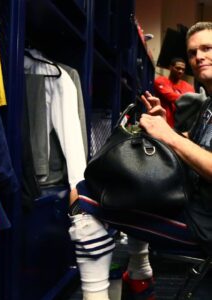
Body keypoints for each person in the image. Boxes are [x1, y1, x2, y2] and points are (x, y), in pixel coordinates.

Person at [68, 21, 212, 300]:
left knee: (82, 195)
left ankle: (101, 293)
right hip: (196, 205)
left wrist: (167, 137)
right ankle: (140, 279)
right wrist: (166, 128)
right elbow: (196, 150)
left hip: (204, 224)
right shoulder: (207, 104)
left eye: (207, 48)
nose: (198, 58)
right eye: (193, 52)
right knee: (134, 185)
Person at [154, 57, 195, 127]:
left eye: (183, 69)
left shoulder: (189, 87)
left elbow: (191, 105)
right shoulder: (161, 80)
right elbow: (170, 96)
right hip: (160, 122)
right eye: (178, 68)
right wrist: (188, 99)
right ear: (170, 67)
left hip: (180, 126)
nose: (180, 71)